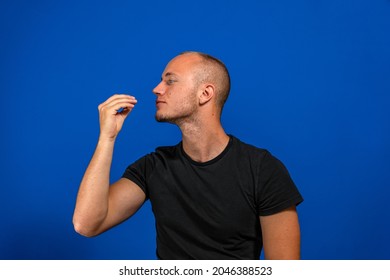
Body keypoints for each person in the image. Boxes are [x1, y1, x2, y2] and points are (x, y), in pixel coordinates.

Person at [73, 51, 303, 260]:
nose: (157, 88)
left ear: (205, 93)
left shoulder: (262, 170)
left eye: (170, 81)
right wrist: (107, 138)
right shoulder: (153, 167)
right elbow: (87, 224)